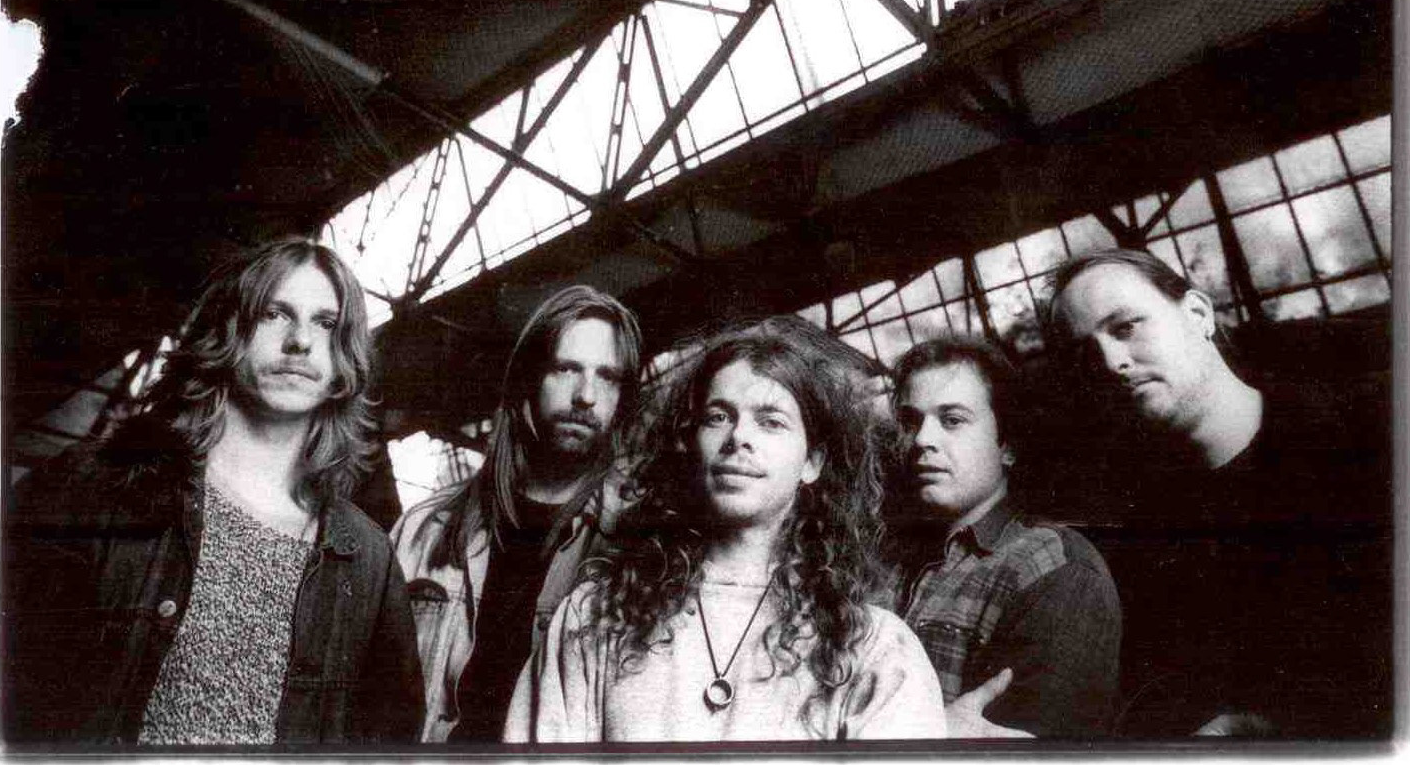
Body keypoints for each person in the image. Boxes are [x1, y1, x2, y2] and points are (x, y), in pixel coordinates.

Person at [3, 238, 423, 745]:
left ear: (344, 359)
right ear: (228, 331)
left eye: (326, 324)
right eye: (274, 314)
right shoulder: (96, 483)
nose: (300, 341)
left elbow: (388, 740)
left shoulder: (367, 557)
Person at [504, 318, 947, 742]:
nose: (739, 438)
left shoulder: (875, 648)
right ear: (689, 444)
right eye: (718, 417)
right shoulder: (594, 616)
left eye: (771, 421)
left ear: (812, 462)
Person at [1046, 248, 1392, 738]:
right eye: (1085, 352)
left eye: (1125, 327)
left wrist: (1268, 723)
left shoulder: (1370, 438)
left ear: (1197, 314)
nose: (1111, 362)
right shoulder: (1139, 527)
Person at [391, 285, 643, 742]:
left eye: (607, 377)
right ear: (529, 378)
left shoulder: (638, 545)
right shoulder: (421, 530)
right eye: (566, 368)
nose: (586, 395)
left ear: (623, 399)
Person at [884, 336, 1121, 737]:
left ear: (1007, 445)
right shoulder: (886, 558)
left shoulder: (1056, 570)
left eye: (952, 420)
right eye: (911, 421)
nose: (922, 439)